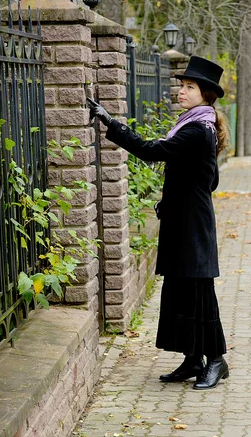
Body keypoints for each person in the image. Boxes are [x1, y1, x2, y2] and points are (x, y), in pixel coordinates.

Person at [88, 55, 230, 390]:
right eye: (182, 85)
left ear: (206, 94)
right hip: (185, 223)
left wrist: (111, 122)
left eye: (189, 87)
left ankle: (217, 360)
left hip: (193, 228)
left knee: (198, 291)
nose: (181, 91)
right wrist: (178, 198)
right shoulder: (197, 126)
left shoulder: (197, 130)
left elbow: (152, 150)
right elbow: (211, 181)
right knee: (181, 288)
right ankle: (194, 359)